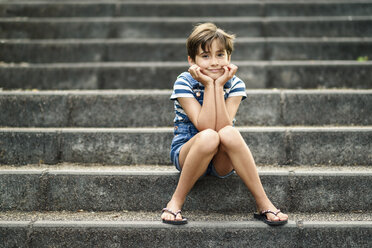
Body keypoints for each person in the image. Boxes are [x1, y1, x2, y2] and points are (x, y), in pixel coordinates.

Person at [161, 23, 288, 226]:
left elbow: (222, 126)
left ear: (229, 57)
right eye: (205, 56)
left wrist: (218, 85)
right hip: (190, 152)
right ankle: (176, 201)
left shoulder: (235, 84)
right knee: (209, 136)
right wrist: (209, 84)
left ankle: (263, 203)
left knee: (228, 132)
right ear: (191, 61)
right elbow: (205, 127)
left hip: (222, 159)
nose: (214, 62)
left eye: (220, 54)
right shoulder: (183, 82)